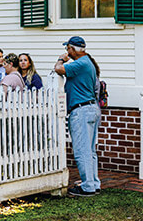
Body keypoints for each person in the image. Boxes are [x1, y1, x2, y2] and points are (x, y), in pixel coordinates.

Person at [55, 36, 100, 197]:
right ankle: (93, 183)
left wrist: (61, 60)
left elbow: (58, 69)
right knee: (90, 149)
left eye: (67, 48)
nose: (66, 51)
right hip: (91, 107)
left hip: (81, 109)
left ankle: (87, 186)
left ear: (73, 49)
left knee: (82, 150)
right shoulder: (88, 63)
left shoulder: (80, 64)